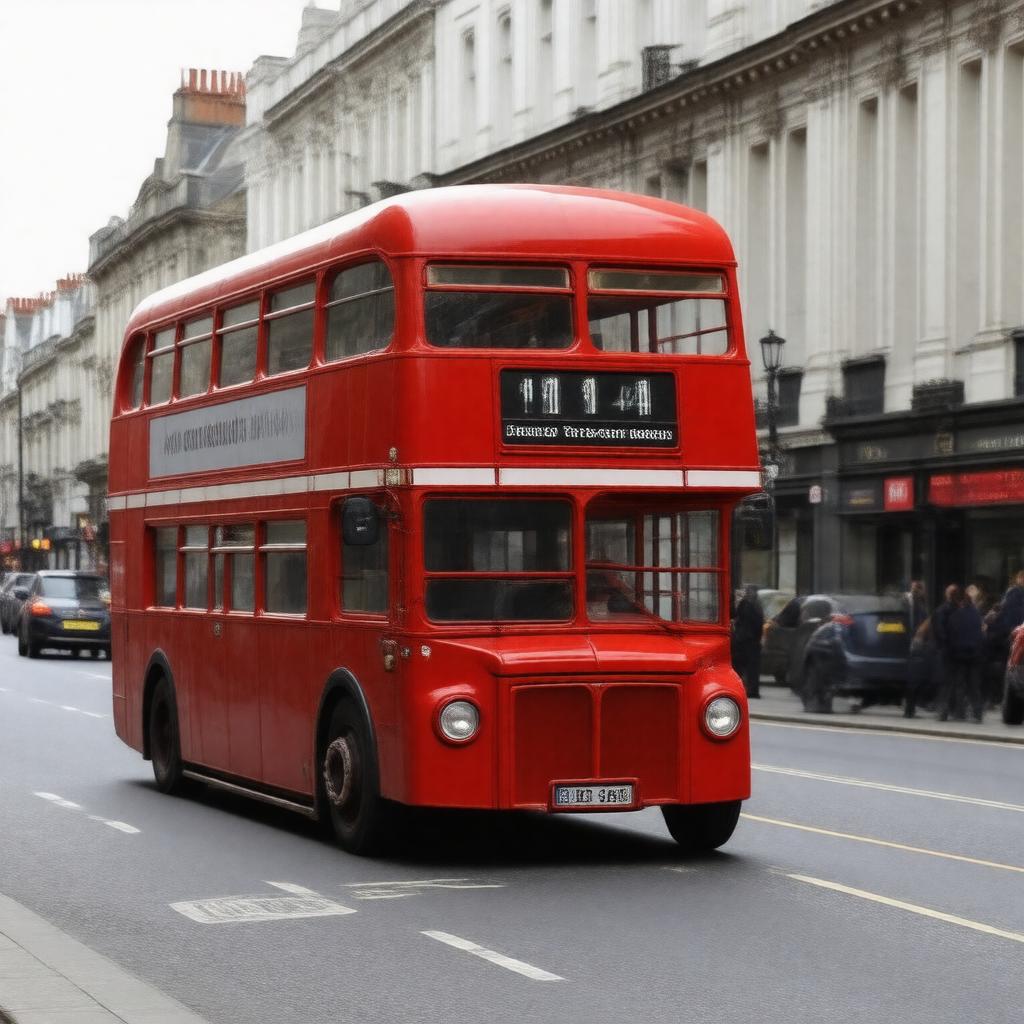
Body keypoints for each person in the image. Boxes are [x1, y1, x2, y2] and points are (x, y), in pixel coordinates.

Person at [936, 586, 984, 722]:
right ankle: (977, 713)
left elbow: (950, 634)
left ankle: (952, 712)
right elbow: (980, 635)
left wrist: (950, 649)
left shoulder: (955, 615)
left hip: (958, 655)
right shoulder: (976, 615)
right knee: (974, 685)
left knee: (956, 684)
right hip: (974, 655)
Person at [732, 585, 764, 699]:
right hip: (754, 641)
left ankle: (738, 688)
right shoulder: (757, 606)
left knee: (738, 666)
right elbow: (759, 625)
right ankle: (753, 690)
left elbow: (737, 617)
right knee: (753, 668)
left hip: (743, 640)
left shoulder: (744, 604)